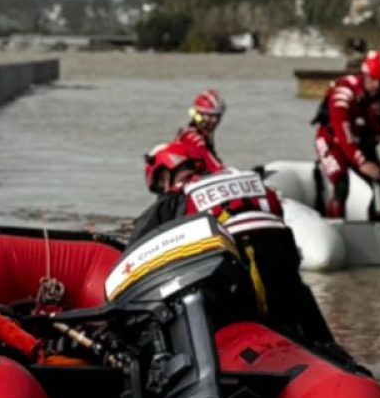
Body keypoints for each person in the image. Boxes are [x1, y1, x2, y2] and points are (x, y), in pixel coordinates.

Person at [132, 140, 341, 352]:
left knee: (216, 325)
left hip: (232, 269)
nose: (162, 190)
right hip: (279, 259)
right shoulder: (251, 181)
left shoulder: (180, 195)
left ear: (168, 171)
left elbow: (138, 243)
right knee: (302, 311)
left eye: (160, 182)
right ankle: (336, 357)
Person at [312, 49, 380, 218]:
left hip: (363, 143)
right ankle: (334, 223)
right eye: (373, 80)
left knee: (378, 180)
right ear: (364, 75)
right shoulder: (344, 92)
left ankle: (378, 225)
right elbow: (343, 132)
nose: (376, 87)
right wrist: (362, 163)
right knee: (341, 184)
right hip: (332, 141)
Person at [174, 89, 226, 172]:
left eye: (217, 116)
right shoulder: (193, 137)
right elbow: (216, 168)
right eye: (211, 116)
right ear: (199, 115)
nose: (215, 121)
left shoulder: (205, 136)